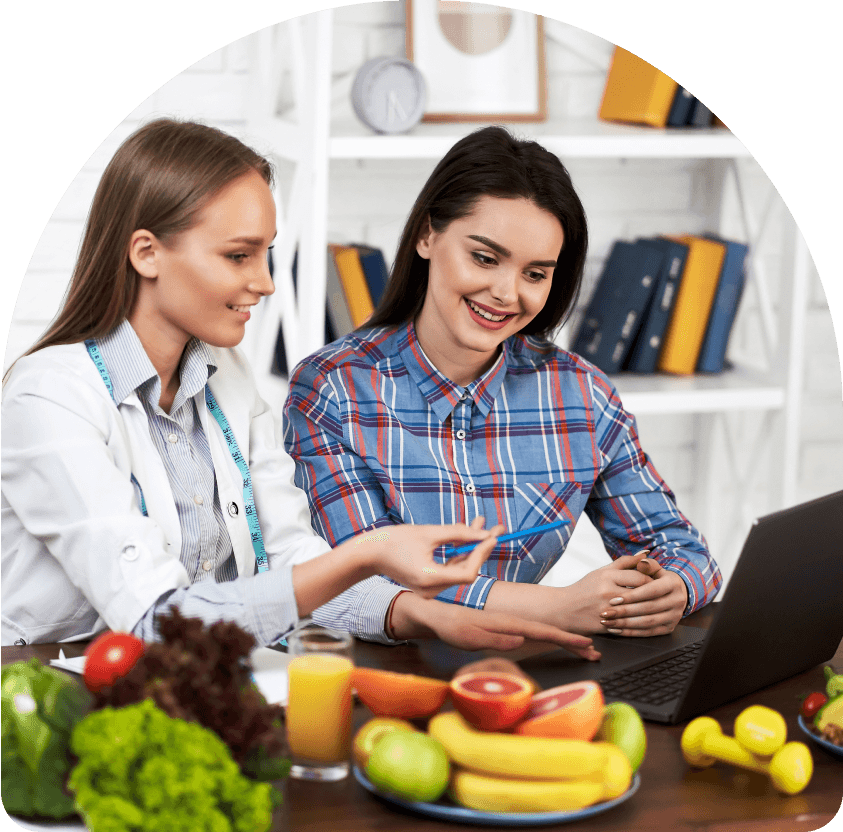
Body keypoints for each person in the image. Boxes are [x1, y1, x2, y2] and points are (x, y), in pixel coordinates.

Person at [0, 118, 600, 661]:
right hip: (49, 700)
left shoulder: (226, 377)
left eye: (266, 254)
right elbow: (157, 621)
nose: (265, 283)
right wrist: (370, 552)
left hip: (195, 684)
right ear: (147, 253)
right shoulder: (48, 398)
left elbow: (290, 564)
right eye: (239, 256)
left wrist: (420, 615)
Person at [284, 125, 722, 646]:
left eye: (535, 274)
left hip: (526, 671)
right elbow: (364, 586)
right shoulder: (333, 390)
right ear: (427, 236)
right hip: (386, 674)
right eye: (485, 258)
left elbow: (683, 551)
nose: (506, 293)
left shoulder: (581, 396)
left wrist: (672, 588)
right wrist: (561, 608)